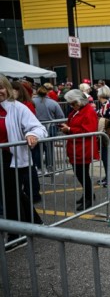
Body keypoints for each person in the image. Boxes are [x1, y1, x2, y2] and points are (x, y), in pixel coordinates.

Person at [0, 74, 47, 252]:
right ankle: (35, 222)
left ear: (7, 88)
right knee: (14, 194)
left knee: (10, 195)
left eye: (1, 88)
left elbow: (38, 128)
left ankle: (16, 236)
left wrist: (32, 135)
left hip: (11, 158)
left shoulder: (17, 108)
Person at [59, 89, 99, 211]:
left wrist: (70, 129)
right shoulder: (79, 111)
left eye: (73, 103)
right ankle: (88, 195)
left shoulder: (88, 111)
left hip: (83, 148)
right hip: (76, 147)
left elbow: (89, 131)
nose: (71, 106)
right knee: (81, 174)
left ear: (79, 101)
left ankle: (88, 198)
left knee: (82, 174)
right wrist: (67, 127)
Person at [12, 81, 42, 204]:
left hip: (28, 141)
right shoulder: (22, 104)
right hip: (23, 141)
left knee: (29, 169)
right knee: (28, 169)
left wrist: (31, 134)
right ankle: (32, 193)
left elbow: (33, 125)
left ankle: (34, 193)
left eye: (13, 89)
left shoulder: (24, 105)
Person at [97, 85, 110, 187]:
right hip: (104, 133)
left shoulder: (107, 105)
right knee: (104, 157)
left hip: (106, 134)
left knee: (106, 156)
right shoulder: (105, 105)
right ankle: (108, 176)